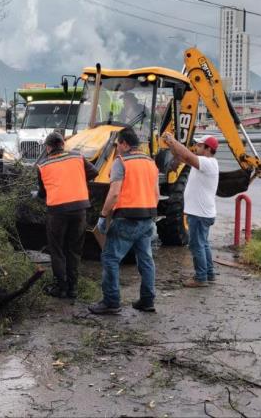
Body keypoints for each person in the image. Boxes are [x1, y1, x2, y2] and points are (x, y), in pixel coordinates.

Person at [89, 127, 159, 314]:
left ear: (125, 144)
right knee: (145, 260)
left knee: (110, 258)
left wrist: (103, 216)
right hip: (147, 219)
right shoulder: (150, 162)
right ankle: (147, 300)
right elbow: (157, 194)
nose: (117, 148)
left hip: (126, 219)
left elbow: (114, 193)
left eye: (118, 144)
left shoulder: (121, 163)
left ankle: (111, 302)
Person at [37, 132, 99, 299]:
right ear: (63, 144)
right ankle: (73, 288)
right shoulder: (77, 157)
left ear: (48, 147)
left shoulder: (42, 165)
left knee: (57, 250)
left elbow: (42, 193)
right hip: (79, 210)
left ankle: (61, 288)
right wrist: (76, 179)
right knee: (74, 249)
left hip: (57, 212)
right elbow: (94, 172)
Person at [162, 132, 220, 287]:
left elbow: (187, 155)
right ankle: (209, 273)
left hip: (200, 214)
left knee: (197, 245)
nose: (197, 147)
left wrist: (173, 140)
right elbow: (181, 156)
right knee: (204, 244)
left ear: (208, 149)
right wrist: (171, 145)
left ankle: (201, 278)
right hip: (203, 213)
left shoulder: (207, 163)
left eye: (200, 146)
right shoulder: (204, 163)